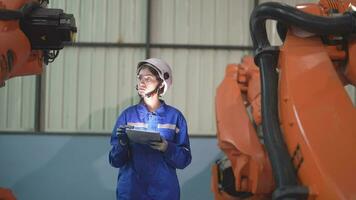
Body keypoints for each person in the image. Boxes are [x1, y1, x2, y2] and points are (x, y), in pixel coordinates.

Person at [109, 58, 192, 200]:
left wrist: (168, 147)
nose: (141, 82)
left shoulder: (175, 118)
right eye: (140, 78)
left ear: (161, 83)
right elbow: (115, 161)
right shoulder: (128, 116)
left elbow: (184, 160)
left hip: (164, 194)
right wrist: (122, 145)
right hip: (131, 193)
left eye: (148, 78)